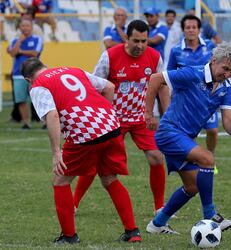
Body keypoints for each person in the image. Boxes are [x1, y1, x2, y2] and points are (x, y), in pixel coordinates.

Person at [21, 57, 142, 244]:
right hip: (111, 125)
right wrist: (102, 116)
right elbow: (109, 87)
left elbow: (52, 115)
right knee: (109, 179)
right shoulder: (73, 69)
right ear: (45, 65)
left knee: (60, 180)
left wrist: (56, 152)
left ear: (28, 79)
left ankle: (69, 236)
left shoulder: (38, 85)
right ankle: (132, 232)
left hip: (85, 133)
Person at [145, 44, 231, 234]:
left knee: (192, 187)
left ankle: (157, 224)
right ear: (214, 61)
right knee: (207, 158)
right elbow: (155, 79)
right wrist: (149, 115)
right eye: (225, 68)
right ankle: (211, 214)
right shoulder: (192, 74)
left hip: (185, 137)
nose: (227, 74)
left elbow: (227, 119)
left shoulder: (226, 87)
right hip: (169, 132)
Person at [73, 20, 169, 216]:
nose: (140, 46)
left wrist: (165, 115)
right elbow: (93, 86)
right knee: (95, 162)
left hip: (141, 118)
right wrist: (95, 116)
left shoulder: (155, 56)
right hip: (112, 120)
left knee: (157, 157)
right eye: (136, 41)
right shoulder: (109, 56)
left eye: (144, 41)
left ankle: (159, 207)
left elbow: (162, 85)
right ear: (126, 37)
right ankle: (73, 203)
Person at [167, 14, 219, 173]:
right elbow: (169, 74)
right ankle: (194, 162)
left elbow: (218, 67)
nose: (191, 30)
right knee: (189, 135)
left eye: (194, 27)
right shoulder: (176, 50)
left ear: (199, 29)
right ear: (183, 30)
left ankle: (210, 158)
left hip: (207, 98)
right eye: (187, 27)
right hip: (186, 100)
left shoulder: (210, 46)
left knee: (213, 131)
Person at [7, 18, 43, 129]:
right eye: (23, 26)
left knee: (39, 99)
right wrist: (19, 42)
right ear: (20, 27)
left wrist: (21, 51)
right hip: (18, 74)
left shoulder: (37, 39)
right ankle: (26, 122)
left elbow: (35, 53)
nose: (25, 28)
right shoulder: (15, 41)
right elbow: (12, 53)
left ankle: (45, 122)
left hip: (34, 74)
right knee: (21, 100)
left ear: (31, 27)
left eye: (27, 25)